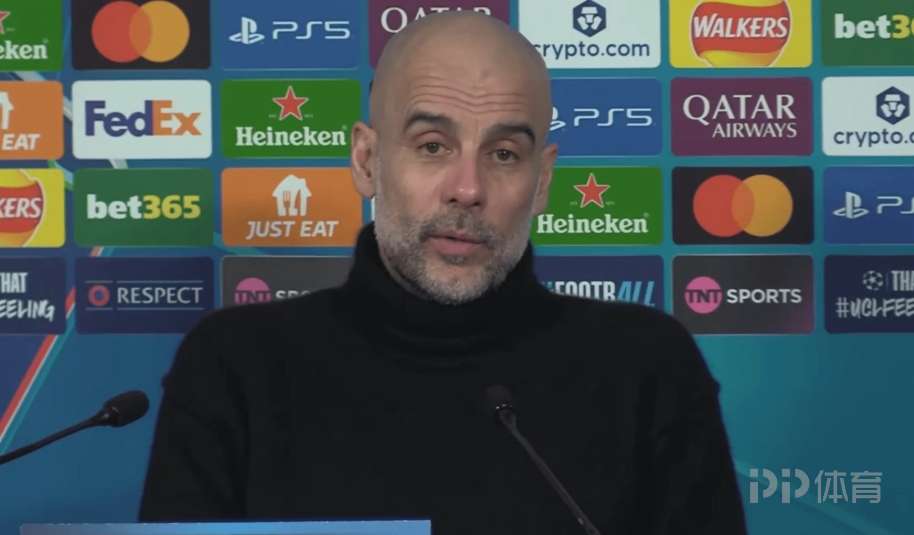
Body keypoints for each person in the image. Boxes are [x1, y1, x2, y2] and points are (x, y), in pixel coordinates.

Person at [138, 12, 747, 534]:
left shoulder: (647, 367)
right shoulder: (234, 366)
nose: (468, 188)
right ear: (367, 160)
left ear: (542, 182)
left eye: (504, 154)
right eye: (432, 145)